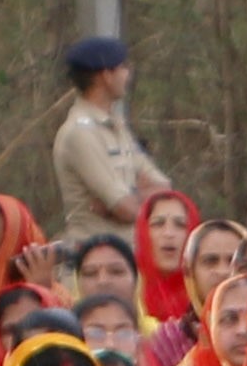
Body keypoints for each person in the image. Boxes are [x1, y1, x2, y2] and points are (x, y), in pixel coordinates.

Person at [50, 38, 171, 244]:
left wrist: (125, 201)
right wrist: (133, 199)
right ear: (106, 76)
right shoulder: (79, 134)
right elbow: (126, 209)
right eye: (123, 67)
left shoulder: (116, 126)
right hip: (94, 261)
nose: (128, 74)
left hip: (130, 257)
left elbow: (165, 190)